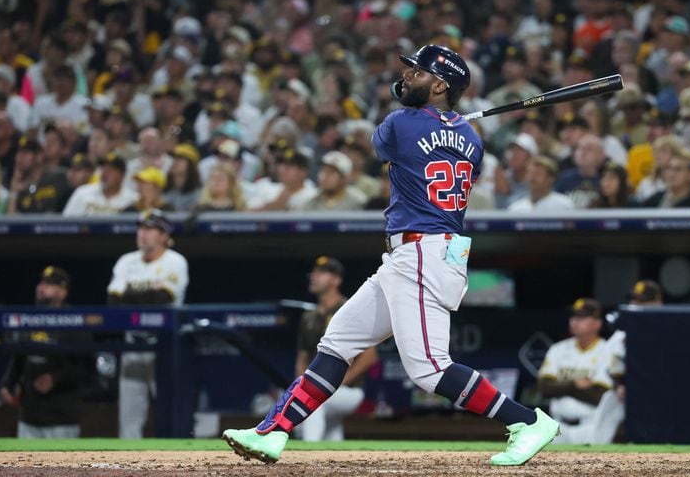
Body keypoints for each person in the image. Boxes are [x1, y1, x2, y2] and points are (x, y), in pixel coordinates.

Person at [223, 44, 559, 466]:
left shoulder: (401, 123)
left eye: (418, 73)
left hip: (422, 252)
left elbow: (382, 141)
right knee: (338, 341)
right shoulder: (472, 139)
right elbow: (457, 163)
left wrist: (428, 121)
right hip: (419, 254)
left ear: (440, 85)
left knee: (430, 370)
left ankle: (526, 421)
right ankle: (274, 432)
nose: (406, 78)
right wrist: (446, 124)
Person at [107, 210, 189, 439]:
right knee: (129, 417)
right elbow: (113, 300)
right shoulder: (126, 261)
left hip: (164, 345)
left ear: (163, 235)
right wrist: (147, 293)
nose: (142, 234)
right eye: (140, 228)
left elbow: (163, 297)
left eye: (149, 229)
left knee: (169, 410)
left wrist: (131, 294)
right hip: (133, 344)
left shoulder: (175, 261)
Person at [0, 267, 90, 438]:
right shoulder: (29, 319)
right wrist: (7, 384)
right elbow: (19, 358)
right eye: (41, 282)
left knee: (61, 465)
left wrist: (55, 378)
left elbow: (86, 369)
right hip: (29, 417)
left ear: (63, 292)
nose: (41, 287)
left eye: (49, 284)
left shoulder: (76, 322)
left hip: (62, 418)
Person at [295, 257, 378, 442]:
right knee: (330, 429)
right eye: (314, 272)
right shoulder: (308, 317)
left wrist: (335, 383)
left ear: (336, 279)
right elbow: (302, 359)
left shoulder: (349, 308)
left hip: (349, 390)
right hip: (324, 388)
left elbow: (370, 356)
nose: (314, 277)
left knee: (314, 401)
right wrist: (300, 387)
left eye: (321, 273)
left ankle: (307, 454)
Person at [538, 298, 619, 444]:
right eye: (574, 317)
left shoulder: (608, 351)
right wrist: (574, 385)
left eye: (582, 317)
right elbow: (544, 388)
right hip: (558, 426)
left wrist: (561, 387)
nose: (575, 321)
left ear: (597, 323)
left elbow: (599, 395)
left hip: (590, 427)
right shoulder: (557, 349)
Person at [62, 152, 137, 216]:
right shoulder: (82, 193)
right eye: (103, 169)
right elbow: (67, 222)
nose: (104, 174)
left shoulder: (132, 199)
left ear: (121, 175)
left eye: (110, 170)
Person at [507, 156, 574, 212]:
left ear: (551, 178)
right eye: (530, 173)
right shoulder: (515, 208)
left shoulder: (564, 204)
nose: (532, 178)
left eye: (538, 174)